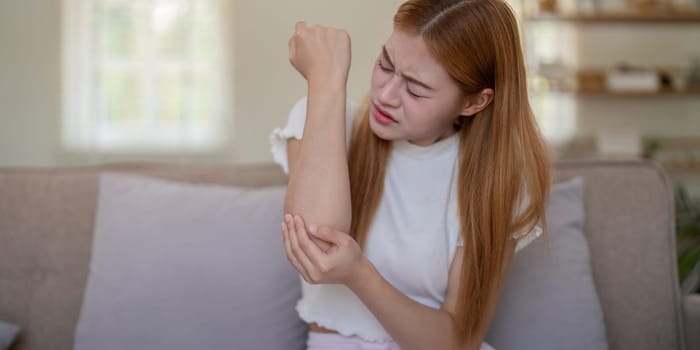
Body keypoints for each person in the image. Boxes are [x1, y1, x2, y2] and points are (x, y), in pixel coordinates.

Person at [269, 0, 551, 349]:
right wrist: (326, 81)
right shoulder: (328, 122)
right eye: (385, 65)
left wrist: (359, 273)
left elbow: (456, 342)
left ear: (474, 103)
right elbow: (314, 248)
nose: (385, 96)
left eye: (416, 89)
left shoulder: (496, 180)